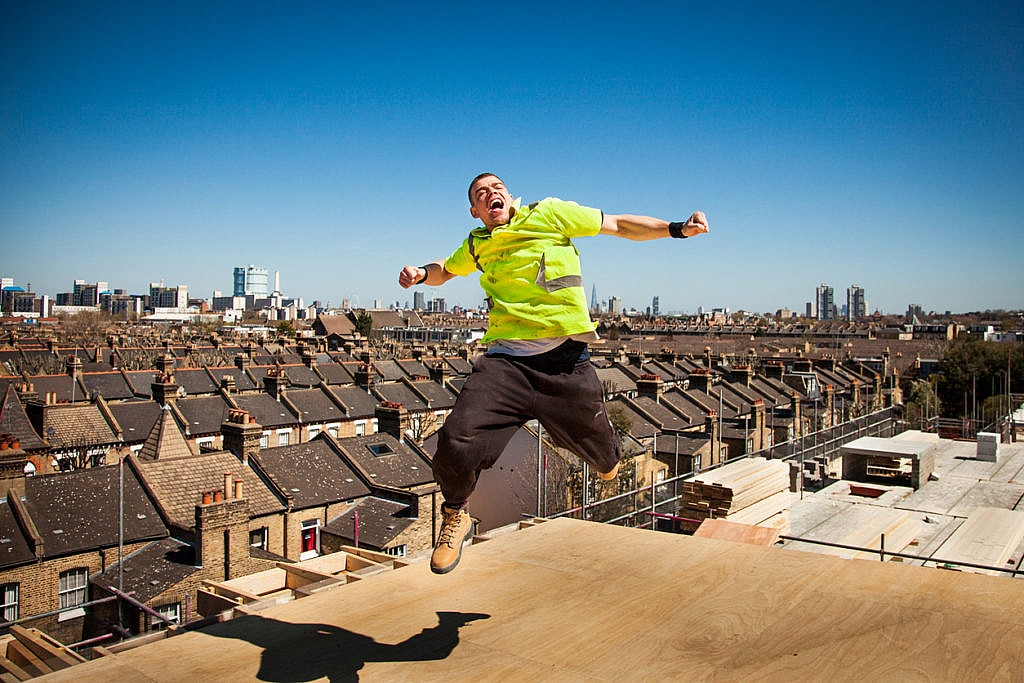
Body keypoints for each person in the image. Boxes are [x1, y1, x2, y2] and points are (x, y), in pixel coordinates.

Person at [399, 173, 709, 574]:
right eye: (480, 194)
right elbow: (446, 269)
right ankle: (455, 514)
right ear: (475, 211)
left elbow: (618, 225)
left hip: (564, 362)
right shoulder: (478, 244)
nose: (491, 194)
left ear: (510, 197)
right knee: (456, 438)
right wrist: (421, 274)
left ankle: (607, 452)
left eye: (497, 188)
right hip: (506, 363)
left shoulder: (549, 214)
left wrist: (676, 230)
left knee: (603, 456)